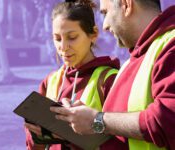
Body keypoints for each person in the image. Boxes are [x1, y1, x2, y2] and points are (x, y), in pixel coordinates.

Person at [50, 0, 175, 149]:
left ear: (126, 5)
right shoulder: (134, 61)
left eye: (105, 13)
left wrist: (96, 120)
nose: (105, 25)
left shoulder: (170, 46)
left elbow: (168, 122)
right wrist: (78, 125)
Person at [24, 0, 120, 149]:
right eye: (57, 38)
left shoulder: (110, 80)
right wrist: (37, 137)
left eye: (72, 37)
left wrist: (72, 135)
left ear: (93, 34)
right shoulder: (50, 81)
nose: (63, 47)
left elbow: (122, 143)